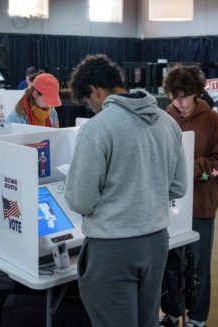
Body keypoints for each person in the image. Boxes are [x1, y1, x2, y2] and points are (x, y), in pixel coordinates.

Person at [64, 54, 188, 327]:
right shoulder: (168, 122)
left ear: (95, 91)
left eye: (87, 100)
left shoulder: (97, 129)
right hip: (156, 242)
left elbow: (81, 200)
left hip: (112, 247)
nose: (92, 107)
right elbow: (178, 186)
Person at [160, 65, 218, 327]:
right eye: (174, 96)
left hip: (201, 203)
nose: (179, 102)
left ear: (196, 93)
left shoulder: (212, 119)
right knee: (170, 263)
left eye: (184, 96)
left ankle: (198, 318)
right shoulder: (165, 116)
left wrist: (189, 167)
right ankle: (173, 311)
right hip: (170, 204)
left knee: (198, 266)